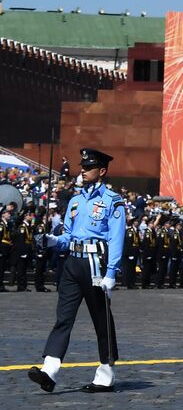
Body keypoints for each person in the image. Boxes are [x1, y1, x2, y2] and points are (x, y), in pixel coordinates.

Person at [28, 148, 126, 393]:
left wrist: (111, 272)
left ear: (101, 171)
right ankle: (49, 370)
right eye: (82, 166)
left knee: (101, 319)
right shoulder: (75, 200)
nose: (83, 170)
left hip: (95, 263)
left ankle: (106, 373)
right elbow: (69, 236)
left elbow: (116, 238)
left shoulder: (112, 201)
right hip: (73, 262)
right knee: (64, 316)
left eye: (88, 167)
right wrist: (52, 240)